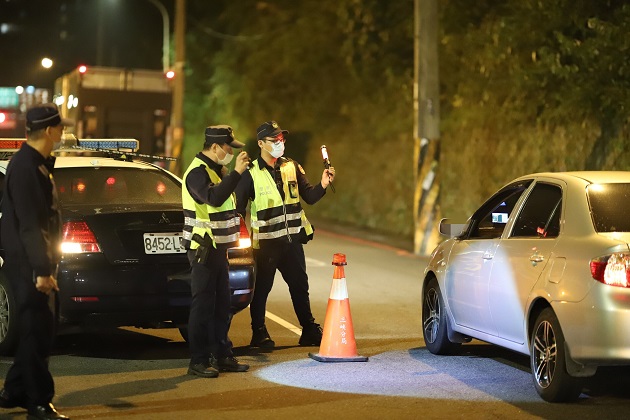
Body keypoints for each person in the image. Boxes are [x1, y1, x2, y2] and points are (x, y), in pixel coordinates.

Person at [235, 121, 336, 349]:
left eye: (282, 139)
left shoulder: (292, 166)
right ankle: (259, 332)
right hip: (267, 244)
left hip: (292, 241)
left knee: (300, 285)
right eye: (275, 140)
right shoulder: (250, 173)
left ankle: (308, 329)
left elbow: (308, 196)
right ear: (261, 143)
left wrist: (322, 184)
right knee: (261, 289)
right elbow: (239, 210)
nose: (280, 143)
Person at [0, 104, 72, 419]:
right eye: (60, 127)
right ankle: (39, 403)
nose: (63, 132)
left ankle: (14, 391)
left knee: (36, 330)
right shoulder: (27, 168)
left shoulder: (36, 164)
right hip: (29, 267)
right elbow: (31, 224)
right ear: (48, 131)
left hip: (34, 263)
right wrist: (42, 271)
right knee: (38, 333)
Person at [182, 125, 251, 377]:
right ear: (214, 147)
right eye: (227, 148)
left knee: (222, 305)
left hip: (218, 248)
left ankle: (222, 354)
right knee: (202, 306)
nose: (230, 152)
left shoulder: (215, 170)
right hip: (203, 248)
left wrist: (232, 175)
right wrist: (236, 174)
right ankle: (198, 361)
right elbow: (214, 199)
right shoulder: (196, 174)